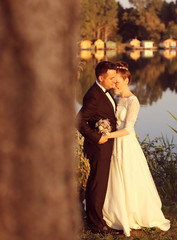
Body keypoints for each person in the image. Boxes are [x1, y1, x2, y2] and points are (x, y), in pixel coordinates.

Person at [101, 61, 170, 237]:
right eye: (113, 81)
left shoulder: (134, 101)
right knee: (114, 176)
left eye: (117, 81)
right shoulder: (116, 98)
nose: (114, 84)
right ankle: (113, 211)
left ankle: (132, 213)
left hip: (126, 143)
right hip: (114, 142)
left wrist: (106, 136)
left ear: (126, 81)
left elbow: (128, 129)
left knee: (129, 176)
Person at [76, 61, 120, 234]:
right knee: (97, 185)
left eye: (115, 77)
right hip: (98, 147)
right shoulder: (94, 95)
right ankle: (96, 225)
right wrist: (97, 137)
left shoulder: (104, 91)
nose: (114, 81)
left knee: (99, 184)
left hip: (105, 147)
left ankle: (97, 219)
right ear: (101, 78)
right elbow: (79, 121)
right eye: (111, 78)